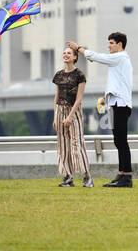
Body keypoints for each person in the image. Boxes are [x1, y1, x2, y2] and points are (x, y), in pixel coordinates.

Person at [68, 33, 133, 187]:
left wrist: (78, 48)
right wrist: (106, 98)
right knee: (119, 140)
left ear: (120, 44)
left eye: (111, 43)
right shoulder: (119, 60)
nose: (109, 46)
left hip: (121, 105)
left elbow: (98, 57)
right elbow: (118, 83)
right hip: (117, 102)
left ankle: (126, 177)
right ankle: (122, 174)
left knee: (121, 141)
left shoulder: (120, 57)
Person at [51, 46, 92, 187]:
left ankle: (87, 176)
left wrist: (70, 116)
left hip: (74, 111)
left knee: (77, 143)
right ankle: (68, 177)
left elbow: (79, 98)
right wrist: (55, 115)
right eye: (64, 53)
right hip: (60, 110)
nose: (66, 55)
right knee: (62, 145)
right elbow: (57, 96)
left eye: (69, 53)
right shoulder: (58, 75)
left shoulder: (79, 75)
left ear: (75, 57)